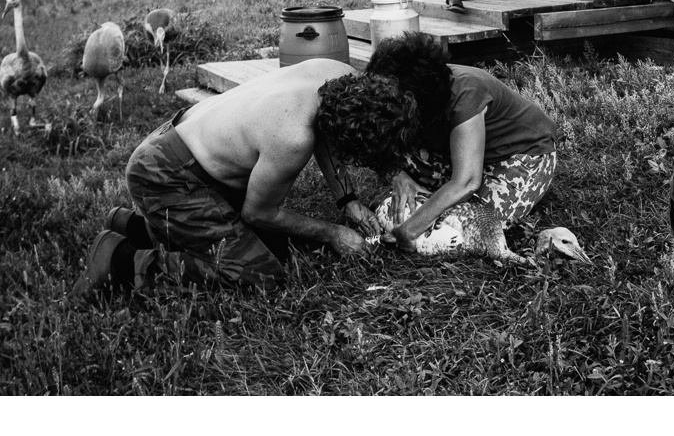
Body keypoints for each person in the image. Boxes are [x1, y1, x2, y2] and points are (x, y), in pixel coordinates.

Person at [71, 59, 418, 298]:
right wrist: (332, 233)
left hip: (176, 145)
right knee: (257, 272)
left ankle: (136, 226)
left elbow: (328, 129)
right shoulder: (292, 136)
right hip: (166, 175)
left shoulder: (337, 75)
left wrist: (348, 201)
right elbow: (259, 213)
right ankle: (119, 259)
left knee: (275, 242)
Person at [365, 32, 557, 252]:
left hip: (523, 153)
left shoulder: (466, 93)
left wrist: (409, 230)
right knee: (390, 149)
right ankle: (431, 199)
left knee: (479, 224)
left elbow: (466, 181)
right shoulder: (408, 90)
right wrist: (397, 175)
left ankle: (433, 205)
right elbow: (377, 141)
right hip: (460, 149)